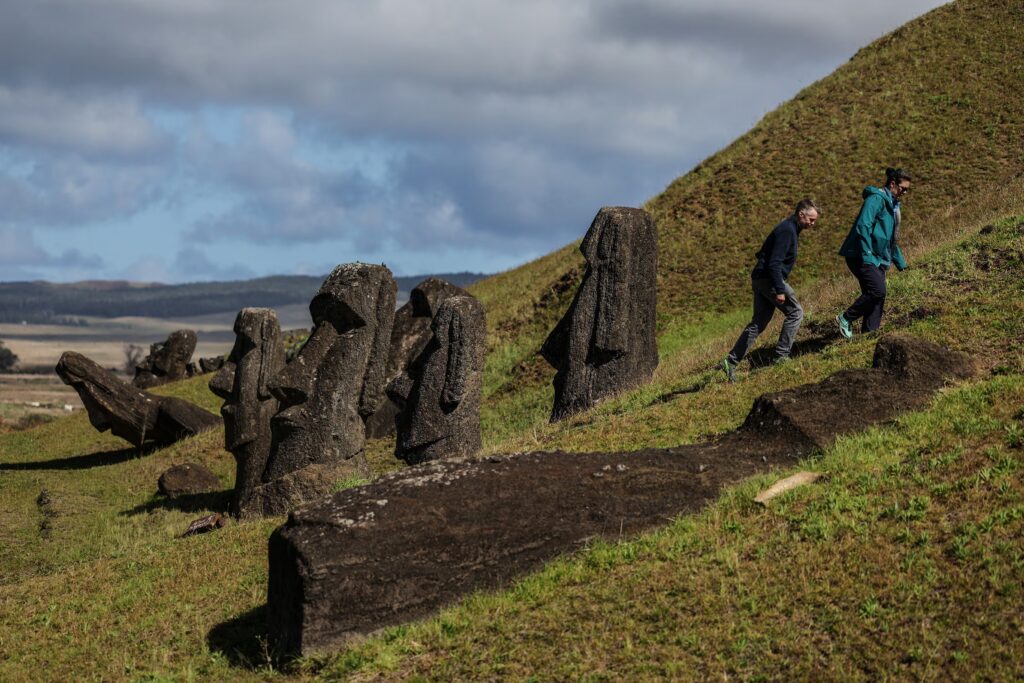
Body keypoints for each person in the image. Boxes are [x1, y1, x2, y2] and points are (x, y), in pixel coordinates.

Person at [721, 199, 820, 381]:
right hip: (769, 280)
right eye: (811, 220)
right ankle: (781, 356)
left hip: (760, 278)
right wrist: (779, 289)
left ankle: (731, 361)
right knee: (796, 312)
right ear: (801, 214)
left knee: (759, 322)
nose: (813, 224)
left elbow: (765, 254)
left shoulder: (790, 228)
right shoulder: (787, 230)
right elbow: (774, 263)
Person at [836, 168, 910, 338]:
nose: (905, 193)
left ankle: (869, 335)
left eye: (907, 190)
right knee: (878, 290)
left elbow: (889, 240)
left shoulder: (892, 205)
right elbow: (863, 225)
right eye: (903, 188)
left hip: (876, 258)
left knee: (877, 297)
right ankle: (845, 318)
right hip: (861, 255)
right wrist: (868, 254)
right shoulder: (876, 199)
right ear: (892, 184)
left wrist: (901, 264)